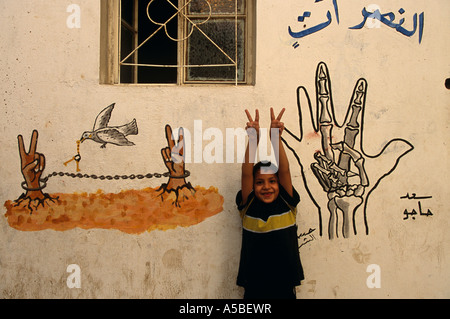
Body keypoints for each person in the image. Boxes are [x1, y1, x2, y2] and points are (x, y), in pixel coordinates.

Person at [236, 108, 304, 299]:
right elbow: (246, 173)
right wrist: (253, 140)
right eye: (260, 182)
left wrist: (275, 138)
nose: (266, 187)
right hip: (254, 286)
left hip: (284, 284)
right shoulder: (248, 205)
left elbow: (285, 171)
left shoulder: (286, 201)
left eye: (272, 181)